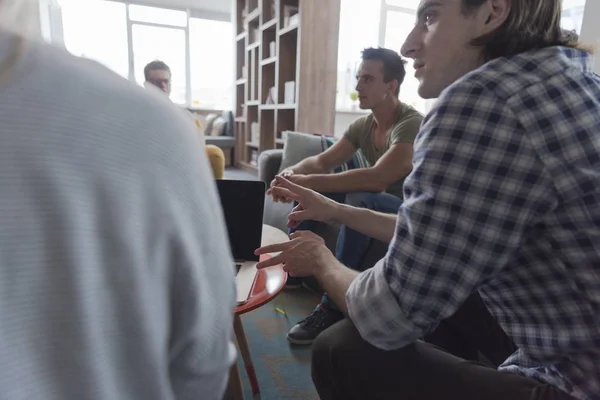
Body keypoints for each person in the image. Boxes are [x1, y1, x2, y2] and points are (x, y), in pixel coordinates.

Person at [256, 0, 600, 399]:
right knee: (443, 287)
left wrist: (319, 259)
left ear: (492, 12)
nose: (407, 45)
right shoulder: (576, 81)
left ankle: (333, 306)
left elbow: (384, 317)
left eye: (430, 16)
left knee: (343, 350)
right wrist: (329, 205)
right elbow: (443, 238)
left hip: (578, 382)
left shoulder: (480, 101)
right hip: (575, 338)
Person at [0, 4, 236, 399]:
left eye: (166, 82)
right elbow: (204, 367)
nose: (161, 88)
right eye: (155, 81)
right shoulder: (146, 127)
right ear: (145, 81)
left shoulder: (165, 127)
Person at [269, 47, 423, 345]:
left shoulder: (411, 122)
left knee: (359, 197)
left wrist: (306, 180)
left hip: (403, 207)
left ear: (391, 86)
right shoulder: (364, 125)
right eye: (358, 78)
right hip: (375, 199)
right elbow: (322, 162)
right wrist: (289, 177)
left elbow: (379, 179)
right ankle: (298, 271)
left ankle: (332, 306)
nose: (357, 87)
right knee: (319, 188)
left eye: (367, 79)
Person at [144, 60, 226, 179]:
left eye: (166, 81)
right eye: (157, 82)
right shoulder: (136, 112)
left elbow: (199, 149)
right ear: (146, 85)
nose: (163, 86)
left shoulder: (184, 115)